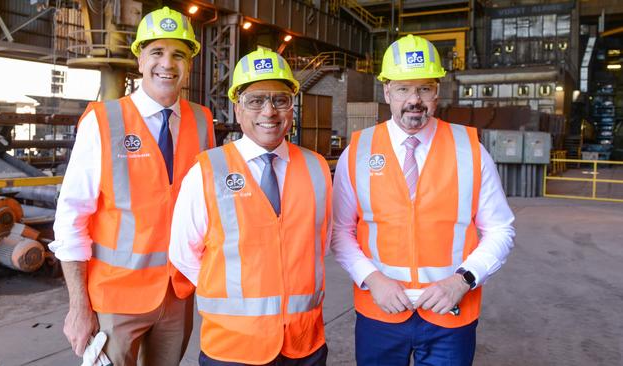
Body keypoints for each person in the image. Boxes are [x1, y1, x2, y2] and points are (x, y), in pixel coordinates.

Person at [331, 34, 515, 365]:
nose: (414, 100)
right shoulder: (357, 153)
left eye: (424, 89)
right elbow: (340, 231)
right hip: (380, 310)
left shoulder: (470, 150)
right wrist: (374, 281)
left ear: (437, 91)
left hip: (450, 311)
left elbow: (501, 229)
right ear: (386, 90)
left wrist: (463, 281)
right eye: (403, 89)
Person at [49, 7, 215, 365]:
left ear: (189, 64)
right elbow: (71, 218)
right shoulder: (103, 122)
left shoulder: (203, 122)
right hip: (114, 301)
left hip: (177, 297)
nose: (167, 64)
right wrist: (78, 307)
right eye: (156, 52)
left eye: (179, 55)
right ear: (140, 59)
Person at [169, 46, 332, 366]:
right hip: (233, 348)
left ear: (291, 107)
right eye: (256, 100)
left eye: (280, 100)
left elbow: (318, 244)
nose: (269, 111)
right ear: (237, 107)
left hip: (304, 344)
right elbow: (183, 252)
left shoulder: (317, 168)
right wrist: (232, 292)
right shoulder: (207, 171)